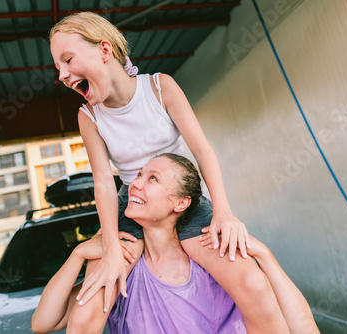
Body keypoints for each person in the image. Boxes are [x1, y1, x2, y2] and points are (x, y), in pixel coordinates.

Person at [49, 12, 281, 333]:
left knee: (254, 285)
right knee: (87, 311)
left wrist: (224, 212)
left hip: (181, 198)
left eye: (68, 60)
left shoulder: (159, 88)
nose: (61, 75)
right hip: (132, 205)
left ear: (104, 50)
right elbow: (103, 181)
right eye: (58, 68)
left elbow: (202, 150)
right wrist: (112, 246)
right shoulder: (88, 115)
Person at [31, 154, 319, 334]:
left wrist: (265, 256)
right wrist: (78, 254)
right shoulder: (122, 270)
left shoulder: (214, 263)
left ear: (181, 203)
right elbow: (44, 323)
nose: (135, 183)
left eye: (152, 178)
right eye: (139, 174)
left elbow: (300, 327)